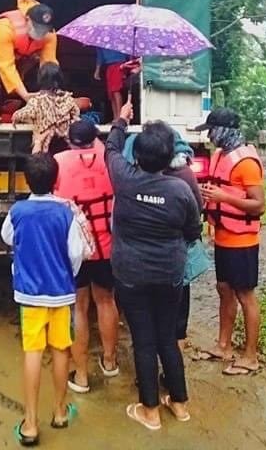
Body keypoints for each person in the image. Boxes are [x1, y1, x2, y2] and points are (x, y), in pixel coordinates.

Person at [106, 102, 200, 430]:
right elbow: (193, 232)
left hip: (131, 276)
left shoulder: (124, 180)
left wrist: (122, 118)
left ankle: (149, 410)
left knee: (143, 340)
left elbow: (111, 147)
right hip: (170, 277)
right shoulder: (181, 190)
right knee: (166, 338)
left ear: (139, 156)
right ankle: (179, 403)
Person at [1, 153, 93, 446]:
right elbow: (77, 254)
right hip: (61, 294)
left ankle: (29, 423)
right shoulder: (66, 213)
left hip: (29, 294)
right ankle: (60, 411)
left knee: (33, 352)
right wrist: (64, 274)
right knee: (61, 349)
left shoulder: (17, 211)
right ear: (57, 180)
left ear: (25, 180)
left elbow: (7, 237)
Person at [195, 108, 266, 376]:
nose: (209, 136)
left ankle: (250, 356)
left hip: (243, 240)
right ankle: (223, 345)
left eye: (212, 130)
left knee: (245, 295)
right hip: (223, 235)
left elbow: (259, 205)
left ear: (225, 130)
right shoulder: (218, 156)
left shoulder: (246, 161)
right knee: (223, 288)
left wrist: (224, 198)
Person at [53, 120, 119, 394]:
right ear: (95, 138)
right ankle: (110, 361)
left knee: (79, 307)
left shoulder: (58, 161)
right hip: (107, 246)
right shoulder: (110, 160)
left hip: (76, 250)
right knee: (106, 301)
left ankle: (81, 376)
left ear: (69, 141)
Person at [122, 131, 203, 352]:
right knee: (175, 322)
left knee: (144, 324)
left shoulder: (129, 182)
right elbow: (195, 222)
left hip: (139, 268)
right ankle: (174, 367)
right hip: (174, 267)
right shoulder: (184, 176)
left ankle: (146, 371)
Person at [0, 0, 57, 122]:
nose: (40, 34)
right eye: (37, 28)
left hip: (19, 61)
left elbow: (49, 64)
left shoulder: (50, 35)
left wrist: (50, 94)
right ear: (27, 20)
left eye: (44, 30)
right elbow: (5, 65)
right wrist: (25, 94)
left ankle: (33, 108)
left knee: (40, 66)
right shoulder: (5, 26)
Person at [12, 63, 81, 153]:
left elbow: (21, 115)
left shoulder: (37, 101)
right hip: (65, 145)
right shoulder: (68, 98)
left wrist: (15, 117)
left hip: (45, 146)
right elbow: (76, 112)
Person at [94, 47, 132, 120]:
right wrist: (97, 70)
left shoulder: (120, 37)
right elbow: (100, 56)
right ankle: (115, 117)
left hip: (119, 65)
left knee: (116, 90)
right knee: (111, 93)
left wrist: (128, 64)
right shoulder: (100, 41)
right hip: (109, 67)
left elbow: (128, 52)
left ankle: (120, 117)